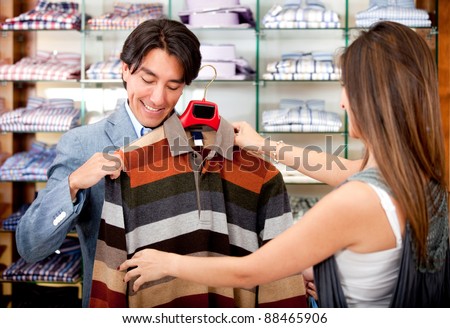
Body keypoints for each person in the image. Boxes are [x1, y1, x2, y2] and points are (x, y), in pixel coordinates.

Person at [119, 21, 450, 307]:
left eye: (345, 87)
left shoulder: (354, 200)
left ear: (369, 97)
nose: (342, 101)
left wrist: (168, 264)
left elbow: (251, 270)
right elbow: (347, 171)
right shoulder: (422, 180)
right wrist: (262, 144)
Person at [15, 18, 202, 308]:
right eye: (148, 80)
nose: (158, 97)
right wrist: (73, 184)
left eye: (173, 86)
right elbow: (30, 246)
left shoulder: (201, 144)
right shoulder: (82, 144)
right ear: (125, 70)